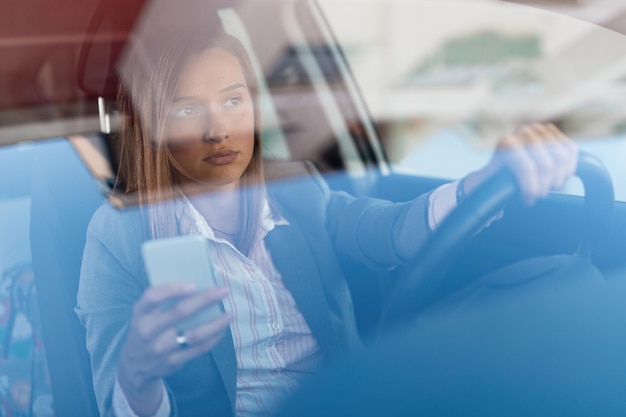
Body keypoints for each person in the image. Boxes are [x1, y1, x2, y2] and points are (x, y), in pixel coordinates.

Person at [75, 30, 578, 417]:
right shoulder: (118, 233)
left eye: (233, 100)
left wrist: (477, 187)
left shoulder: (295, 186)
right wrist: (138, 374)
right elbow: (117, 404)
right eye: (187, 110)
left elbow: (387, 229)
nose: (218, 129)